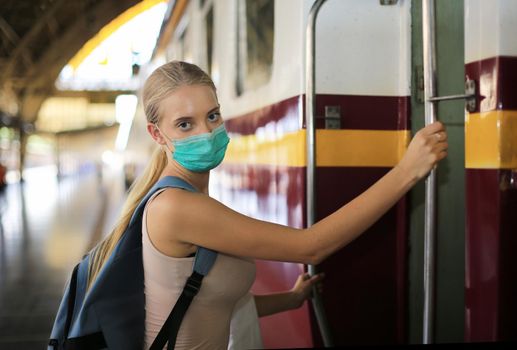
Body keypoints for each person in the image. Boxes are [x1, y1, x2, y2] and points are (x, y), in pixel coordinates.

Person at [87, 61, 448, 350]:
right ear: (157, 134)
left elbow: (208, 305)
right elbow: (312, 245)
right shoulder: (176, 207)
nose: (206, 133)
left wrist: (290, 300)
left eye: (212, 116)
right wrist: (406, 172)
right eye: (185, 124)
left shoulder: (189, 198)